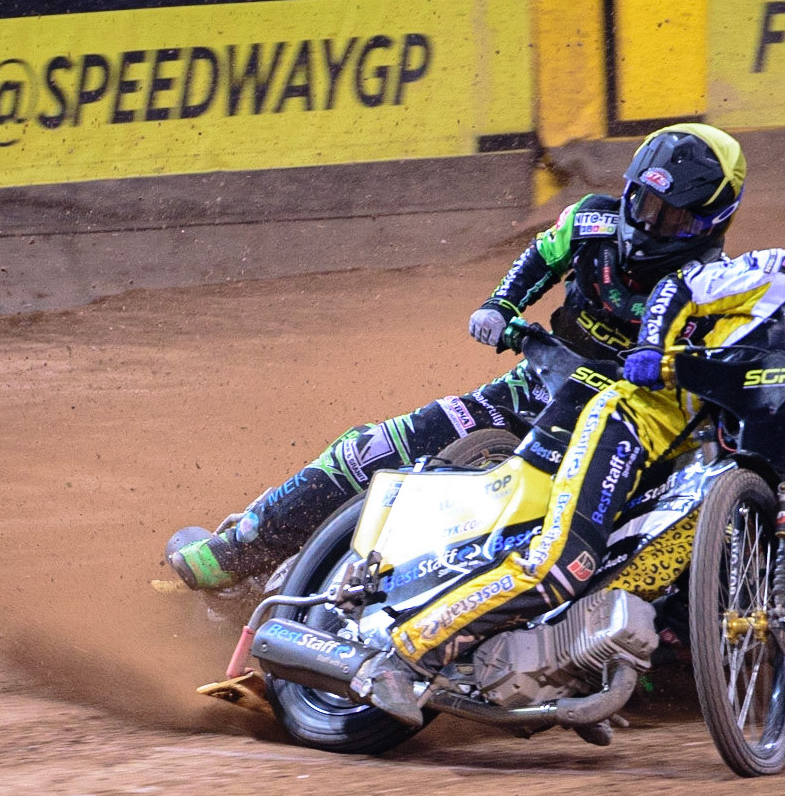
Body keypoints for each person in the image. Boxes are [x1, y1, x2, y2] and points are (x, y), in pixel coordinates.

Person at [354, 217, 785, 727]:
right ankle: (400, 656)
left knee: (631, 592)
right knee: (562, 564)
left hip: (701, 479)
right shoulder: (783, 274)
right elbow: (684, 286)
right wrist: (651, 350)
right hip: (639, 419)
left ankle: (566, 673)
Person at [167, 123, 747, 591]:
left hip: (622, 436)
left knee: (652, 537)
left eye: (668, 215)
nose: (645, 221)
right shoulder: (593, 218)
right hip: (533, 390)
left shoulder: (721, 286)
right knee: (375, 446)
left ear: (709, 222)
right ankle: (244, 546)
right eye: (641, 200)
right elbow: (542, 257)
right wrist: (501, 305)